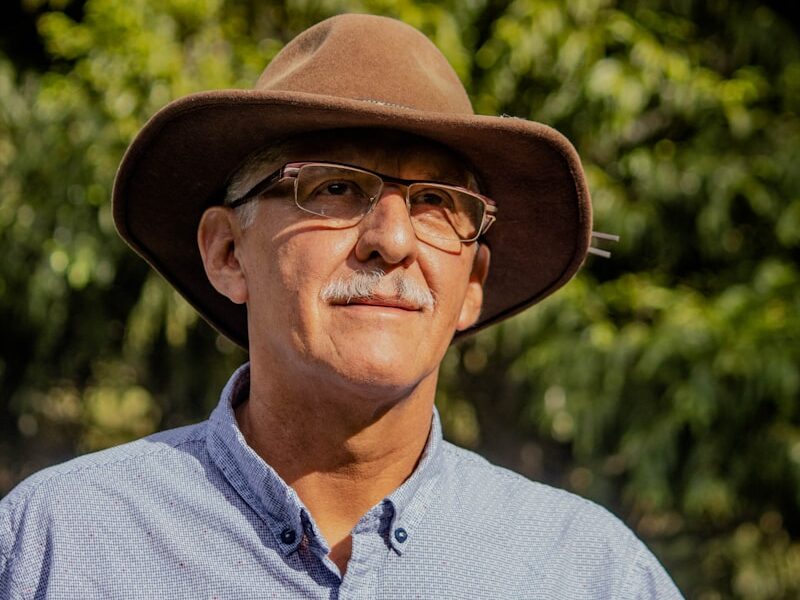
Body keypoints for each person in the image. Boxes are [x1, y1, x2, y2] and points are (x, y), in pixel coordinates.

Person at [0, 13, 683, 599]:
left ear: (471, 282)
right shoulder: (56, 545)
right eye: (331, 189)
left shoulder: (588, 572)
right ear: (227, 254)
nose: (391, 240)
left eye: (437, 203)